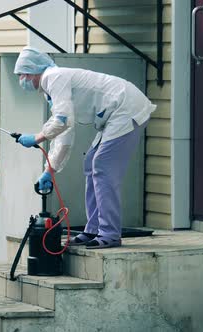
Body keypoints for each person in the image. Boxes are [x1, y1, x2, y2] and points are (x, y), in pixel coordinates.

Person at [14, 47, 156, 249]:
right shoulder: (51, 88)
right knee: (91, 162)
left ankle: (109, 234)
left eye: (22, 75)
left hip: (126, 107)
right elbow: (65, 131)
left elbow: (62, 121)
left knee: (103, 166)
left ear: (32, 71)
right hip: (117, 112)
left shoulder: (53, 77)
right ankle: (93, 229)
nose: (22, 80)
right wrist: (49, 170)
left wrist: (37, 137)